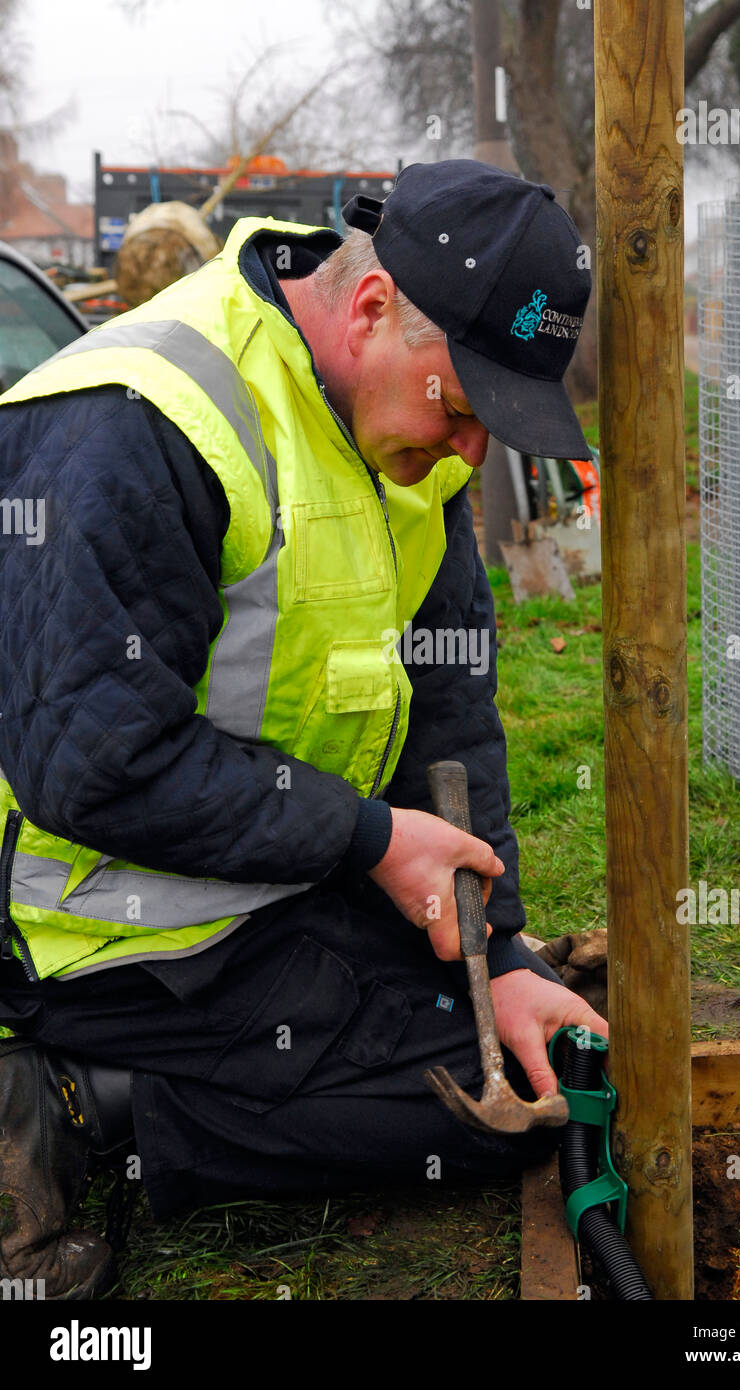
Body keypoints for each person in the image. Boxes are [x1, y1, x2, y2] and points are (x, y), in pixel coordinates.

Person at [0, 158, 606, 1300]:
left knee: (550, 1047)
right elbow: (92, 766)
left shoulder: (406, 444)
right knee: (494, 1118)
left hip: (275, 875)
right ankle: (84, 1096)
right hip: (97, 924)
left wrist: (504, 950)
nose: (475, 451)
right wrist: (375, 844)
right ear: (373, 308)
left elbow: (452, 717)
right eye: (466, 404)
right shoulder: (141, 421)